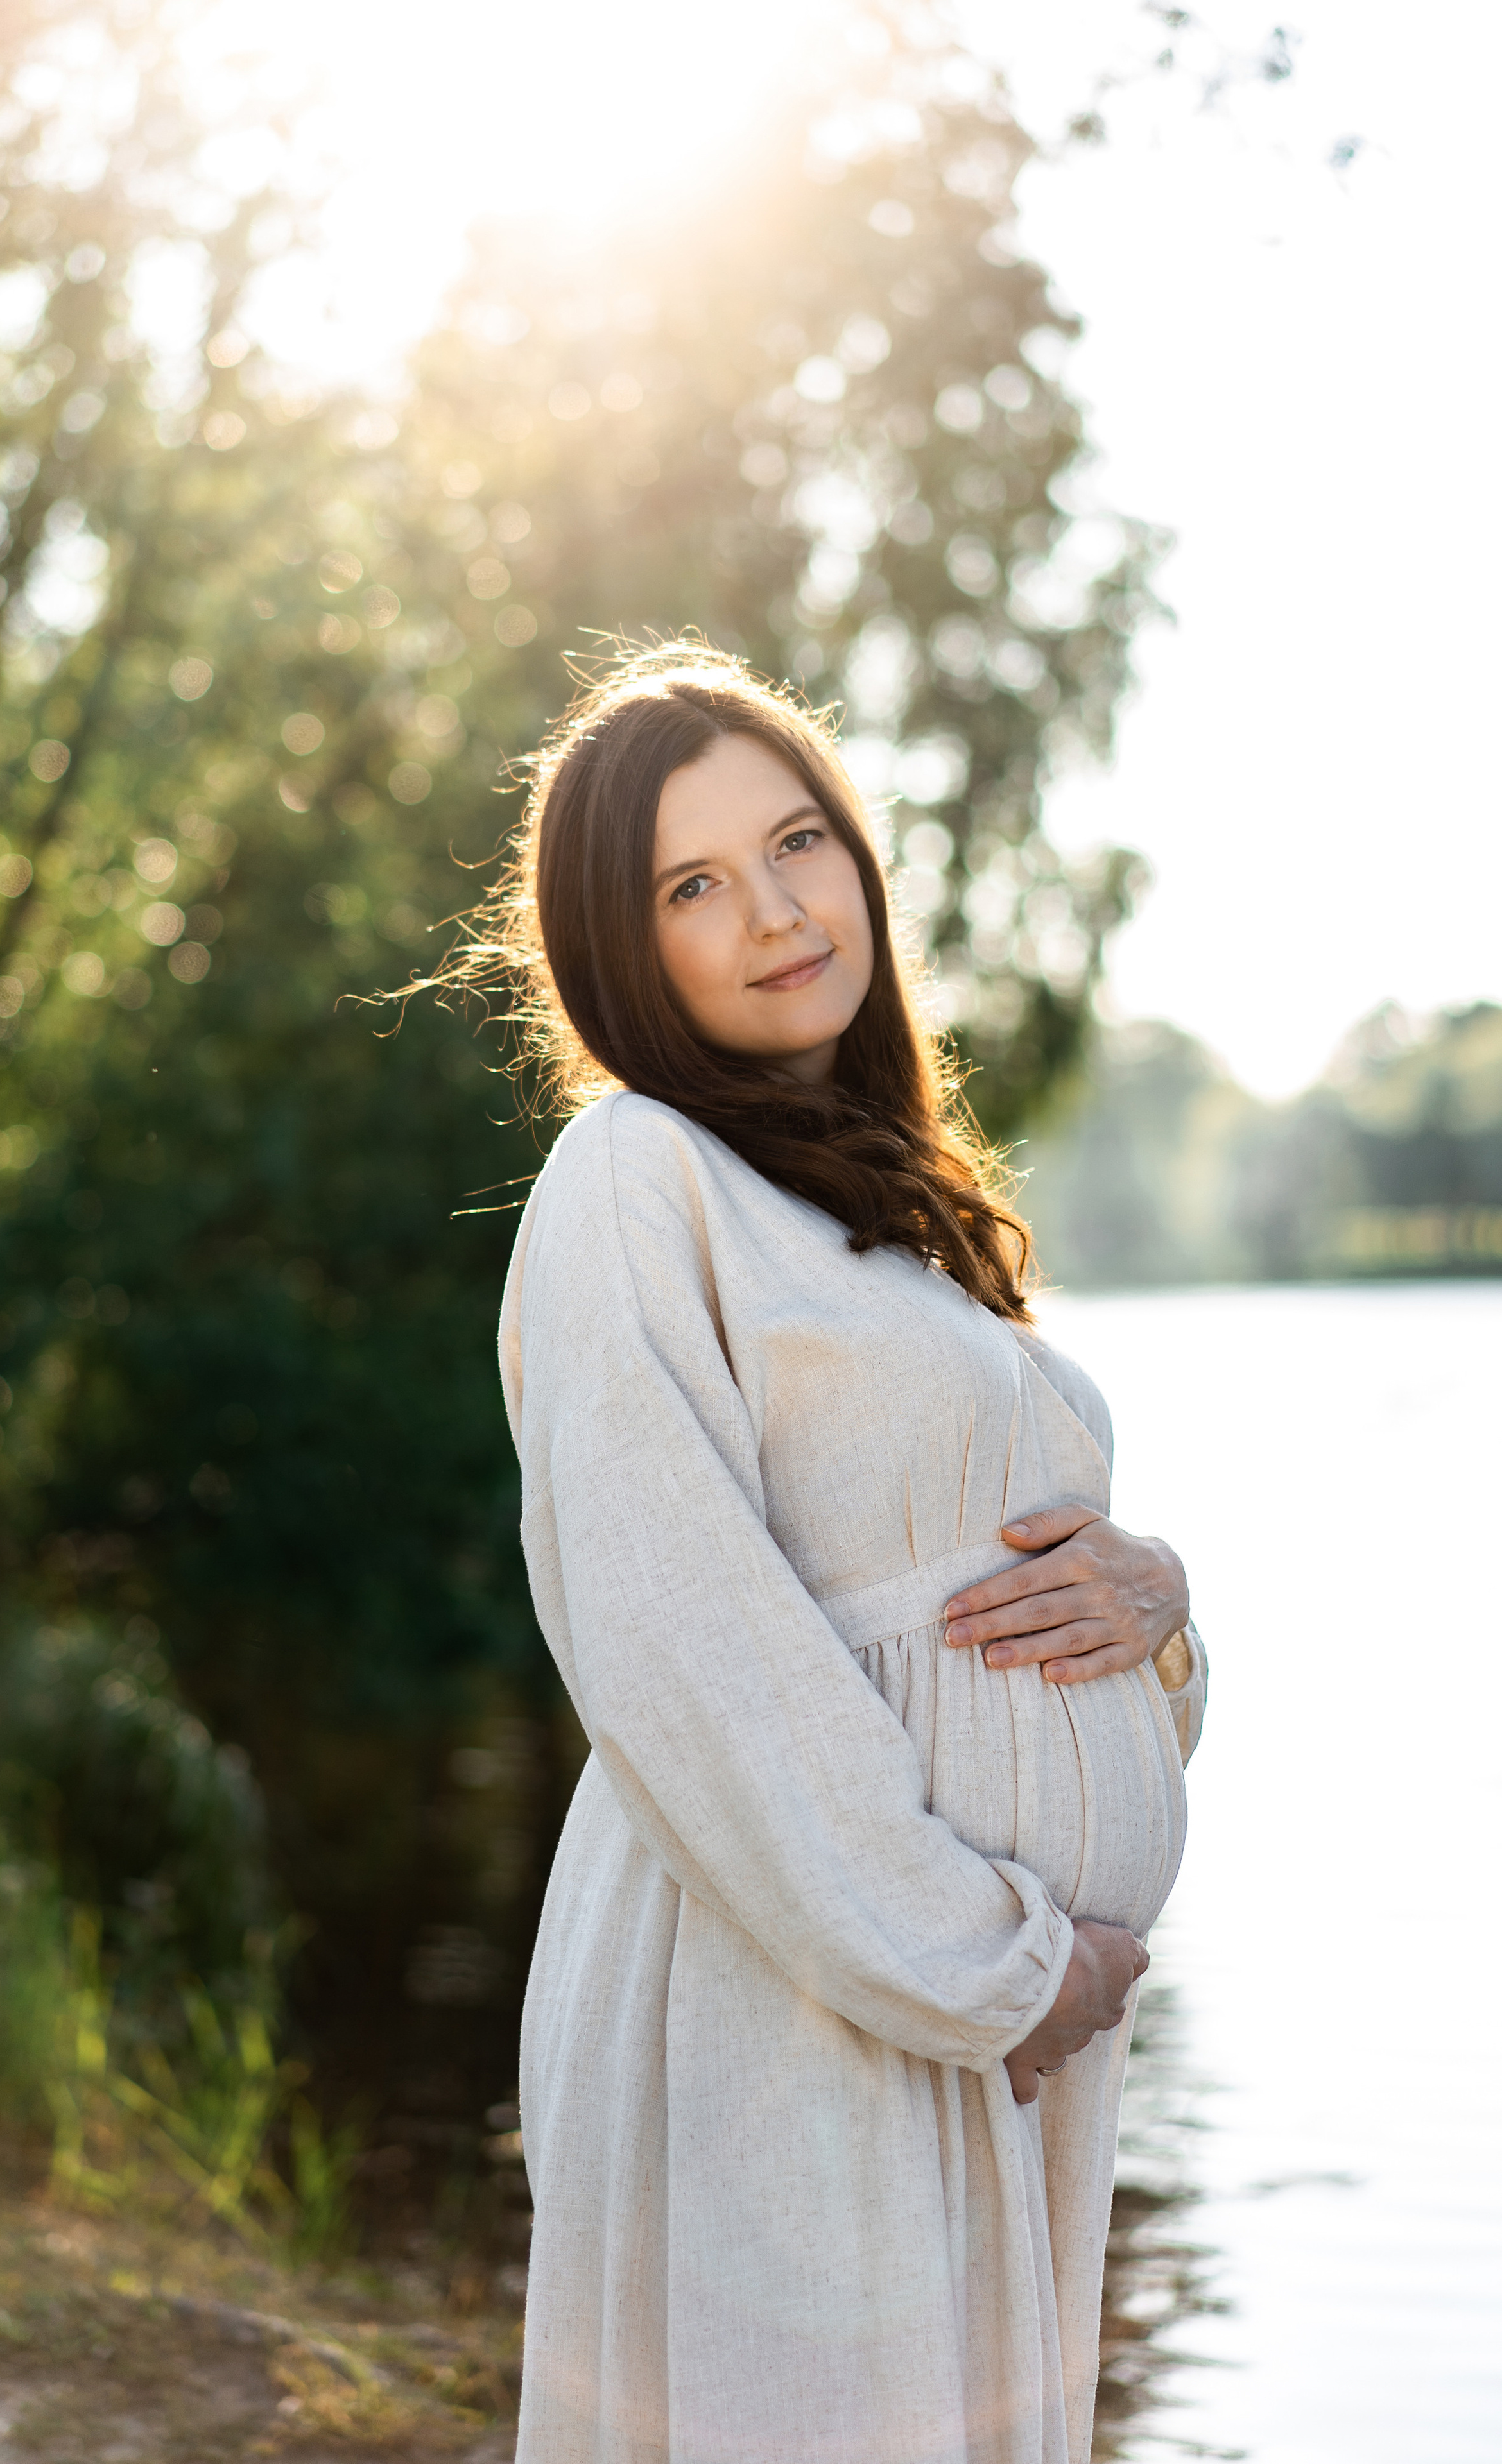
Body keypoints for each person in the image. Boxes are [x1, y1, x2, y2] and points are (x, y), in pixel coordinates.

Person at [484, 644, 1207, 2463]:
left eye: (798, 841)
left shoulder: (880, 1205)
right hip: (800, 1993)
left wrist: (1159, 1609)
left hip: (954, 2001)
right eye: (693, 885)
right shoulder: (635, 1174)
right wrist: (989, 1966)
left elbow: (996, 1599)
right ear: (617, 947)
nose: (776, 911)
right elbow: (678, 1637)